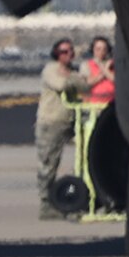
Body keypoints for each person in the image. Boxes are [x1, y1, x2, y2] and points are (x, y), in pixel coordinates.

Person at [36, 39, 90, 219]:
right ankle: (46, 204)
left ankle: (78, 196)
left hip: (71, 122)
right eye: (64, 52)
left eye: (70, 52)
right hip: (51, 122)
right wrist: (72, 79)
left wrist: (71, 77)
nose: (68, 55)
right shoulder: (51, 69)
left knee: (85, 157)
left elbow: (86, 87)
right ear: (56, 54)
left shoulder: (70, 71)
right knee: (48, 163)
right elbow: (59, 85)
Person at [83, 36, 115, 106]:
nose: (101, 52)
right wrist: (103, 69)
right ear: (93, 50)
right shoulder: (87, 65)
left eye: (104, 49)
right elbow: (89, 82)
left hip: (112, 101)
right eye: (98, 49)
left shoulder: (112, 64)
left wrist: (106, 69)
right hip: (95, 102)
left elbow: (115, 79)